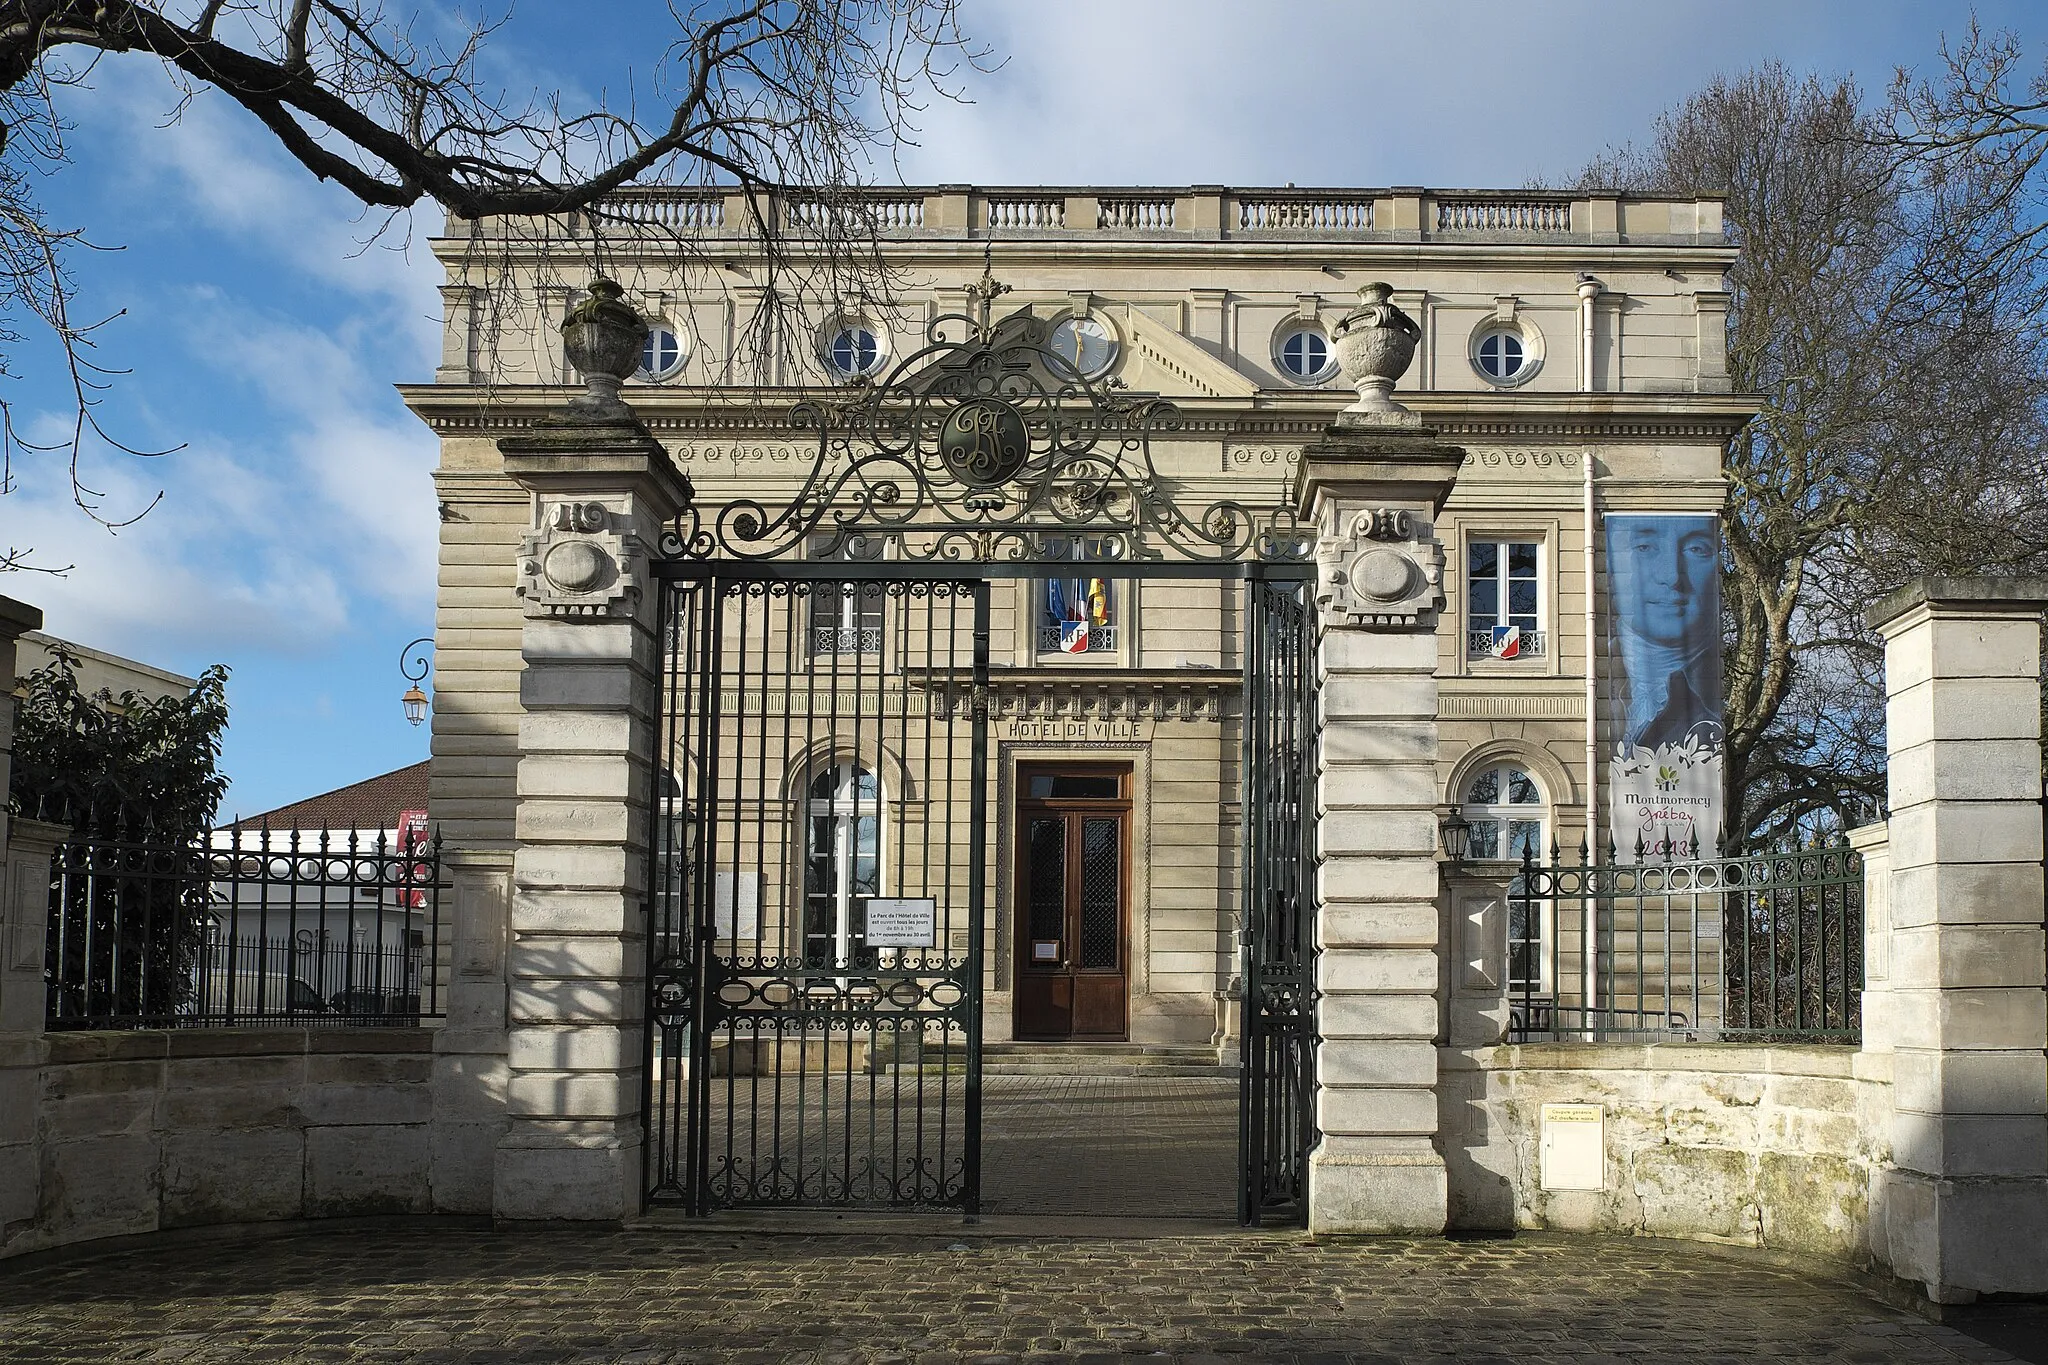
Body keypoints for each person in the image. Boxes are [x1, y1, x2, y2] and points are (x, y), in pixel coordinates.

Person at [1608, 516, 1723, 754]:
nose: (1671, 576)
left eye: (1697, 549)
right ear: (1608, 561)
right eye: (1644, 547)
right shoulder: (1594, 675)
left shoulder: (1717, 700)